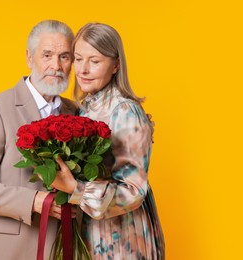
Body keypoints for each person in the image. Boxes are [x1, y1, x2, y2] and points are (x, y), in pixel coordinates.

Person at [0, 20, 77, 260]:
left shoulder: (75, 113)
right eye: (47, 55)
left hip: (61, 249)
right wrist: (33, 200)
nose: (56, 65)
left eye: (64, 56)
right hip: (6, 251)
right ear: (29, 57)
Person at [51, 23, 165, 259]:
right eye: (78, 58)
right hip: (89, 230)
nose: (83, 69)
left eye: (94, 61)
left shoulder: (124, 110)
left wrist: (75, 189)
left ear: (116, 65)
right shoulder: (85, 107)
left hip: (119, 236)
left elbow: (134, 190)